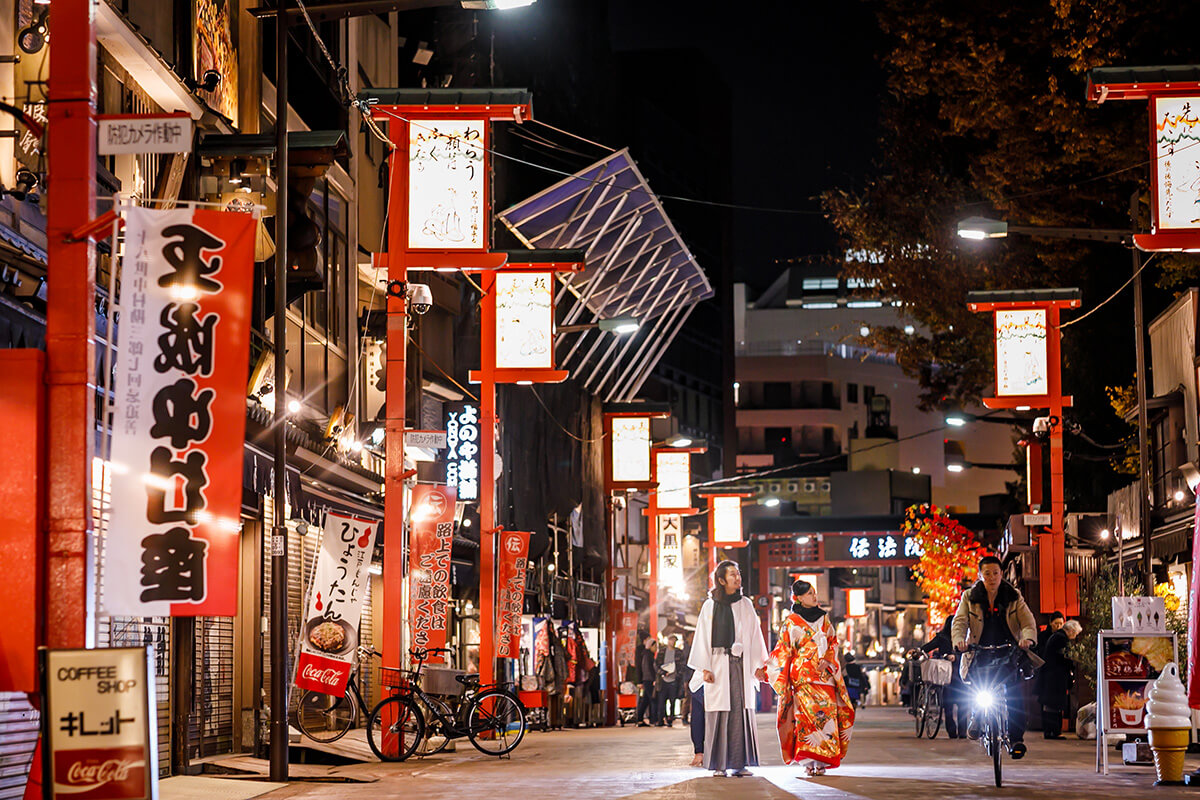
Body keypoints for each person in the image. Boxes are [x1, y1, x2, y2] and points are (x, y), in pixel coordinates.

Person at [688, 560, 769, 778]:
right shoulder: (710, 605)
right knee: (720, 713)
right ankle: (719, 764)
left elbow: (755, 636)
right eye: (732, 575)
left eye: (738, 573)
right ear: (722, 580)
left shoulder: (746, 604)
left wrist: (759, 665)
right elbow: (702, 637)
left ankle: (739, 763)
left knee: (740, 711)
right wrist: (704, 667)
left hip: (741, 664)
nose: (737, 578)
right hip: (717, 664)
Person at [952, 555, 1039, 759]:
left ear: (1002, 574)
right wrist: (959, 641)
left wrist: (1027, 639)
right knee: (978, 688)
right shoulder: (969, 597)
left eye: (996, 573)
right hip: (979, 651)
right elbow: (959, 622)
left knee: (1015, 697)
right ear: (980, 575)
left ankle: (1016, 739)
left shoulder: (1013, 596)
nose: (992, 578)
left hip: (1008, 651)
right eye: (987, 573)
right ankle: (978, 715)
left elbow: (1027, 622)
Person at [767, 579, 855, 777]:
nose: (814, 597)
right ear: (797, 598)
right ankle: (808, 761)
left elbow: (833, 643)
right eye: (809, 594)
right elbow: (783, 649)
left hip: (825, 678)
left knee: (826, 719)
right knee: (805, 720)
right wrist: (768, 669)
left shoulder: (825, 619)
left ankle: (822, 761)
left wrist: (828, 660)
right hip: (803, 678)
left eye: (814, 593)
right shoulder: (791, 621)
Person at [921, 616, 967, 738]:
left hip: (955, 675)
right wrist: (919, 651)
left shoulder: (964, 638)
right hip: (950, 675)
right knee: (951, 706)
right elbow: (928, 646)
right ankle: (956, 732)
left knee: (957, 706)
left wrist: (955, 657)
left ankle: (960, 732)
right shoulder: (944, 638)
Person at [1037, 619, 1081, 738]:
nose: (1074, 637)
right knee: (1055, 705)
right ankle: (1054, 731)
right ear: (1071, 631)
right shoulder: (1061, 639)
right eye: (1075, 634)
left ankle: (1050, 731)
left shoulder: (1056, 636)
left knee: (1050, 705)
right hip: (1055, 678)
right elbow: (1065, 658)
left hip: (1050, 676)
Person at [656, 634, 681, 726]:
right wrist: (662, 672)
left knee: (672, 700)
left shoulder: (678, 652)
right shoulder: (662, 652)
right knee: (662, 701)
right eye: (671, 640)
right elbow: (657, 664)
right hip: (663, 679)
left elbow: (682, 665)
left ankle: (670, 718)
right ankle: (661, 718)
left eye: (674, 640)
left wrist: (678, 675)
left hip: (674, 679)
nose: (672, 642)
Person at [636, 638, 660, 727]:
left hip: (647, 680)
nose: (656, 648)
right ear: (650, 646)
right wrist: (654, 679)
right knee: (653, 700)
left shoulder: (648, 654)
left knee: (645, 700)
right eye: (655, 646)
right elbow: (648, 669)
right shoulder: (647, 655)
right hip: (649, 680)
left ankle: (639, 720)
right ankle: (654, 720)